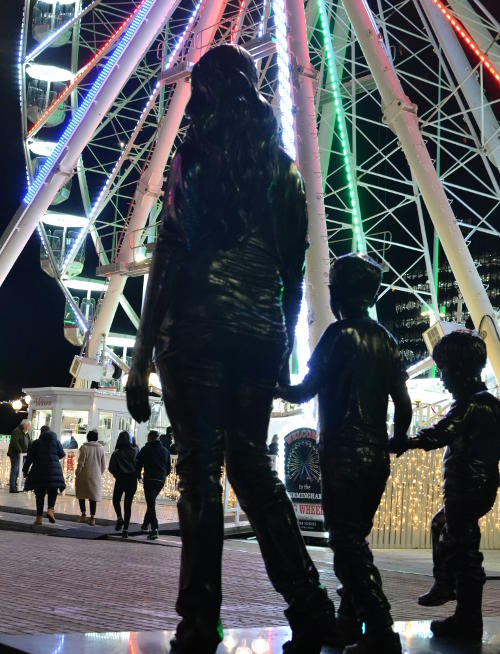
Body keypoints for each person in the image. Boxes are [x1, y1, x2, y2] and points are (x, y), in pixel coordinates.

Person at [126, 44, 339, 654]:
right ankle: (311, 606)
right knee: (254, 469)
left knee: (199, 474)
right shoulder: (284, 168)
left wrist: (140, 361)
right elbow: (294, 269)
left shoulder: (192, 156)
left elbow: (167, 257)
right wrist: (284, 352)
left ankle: (199, 622)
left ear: (210, 93)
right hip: (259, 330)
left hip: (196, 328)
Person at [278, 254, 413, 654]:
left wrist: (277, 384)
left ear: (339, 294)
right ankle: (349, 620)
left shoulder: (337, 336)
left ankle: (381, 627)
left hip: (341, 453)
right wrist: (397, 437)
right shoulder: (386, 340)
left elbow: (306, 390)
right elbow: (403, 406)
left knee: (347, 542)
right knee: (354, 540)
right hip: (375, 457)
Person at [396, 330, 500, 642]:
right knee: (444, 528)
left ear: (459, 370)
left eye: (444, 371)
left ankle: (463, 613)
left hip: (467, 488)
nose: (442, 379)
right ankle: (446, 588)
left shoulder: (471, 404)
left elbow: (442, 431)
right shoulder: (489, 404)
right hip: (476, 487)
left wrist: (407, 441)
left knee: (459, 546)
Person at [23, 425, 65, 525]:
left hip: (39, 471)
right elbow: (62, 454)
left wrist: (25, 470)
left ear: (41, 433)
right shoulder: (56, 442)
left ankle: (39, 518)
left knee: (40, 494)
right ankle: (50, 509)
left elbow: (29, 458)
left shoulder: (36, 443)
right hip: (54, 470)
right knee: (53, 490)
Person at [136, 429, 171, 540]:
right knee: (151, 502)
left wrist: (139, 476)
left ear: (149, 438)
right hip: (160, 480)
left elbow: (138, 464)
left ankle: (154, 528)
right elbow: (169, 468)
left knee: (151, 503)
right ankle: (145, 524)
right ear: (158, 438)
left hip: (149, 479)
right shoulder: (165, 451)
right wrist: (163, 476)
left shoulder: (145, 449)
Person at [109, 431, 138, 538]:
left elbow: (111, 468)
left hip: (120, 479)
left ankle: (119, 517)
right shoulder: (135, 450)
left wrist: (117, 475)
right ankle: (125, 529)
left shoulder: (116, 453)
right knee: (128, 504)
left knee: (116, 499)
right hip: (132, 480)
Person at [75, 429, 106, 525]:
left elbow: (81, 463)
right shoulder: (101, 448)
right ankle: (92, 518)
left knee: (81, 495)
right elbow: (103, 465)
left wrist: (77, 472)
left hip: (84, 475)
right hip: (95, 476)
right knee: (93, 497)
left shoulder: (84, 448)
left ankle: (83, 515)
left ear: (88, 438)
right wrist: (98, 473)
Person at [7, 419, 31, 493]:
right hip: (15, 454)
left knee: (17, 471)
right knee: (15, 470)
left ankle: (15, 484)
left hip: (22, 455)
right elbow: (14, 442)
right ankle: (12, 487)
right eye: (28, 425)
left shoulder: (26, 433)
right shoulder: (17, 431)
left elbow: (29, 443)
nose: (29, 427)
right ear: (24, 425)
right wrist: (20, 451)